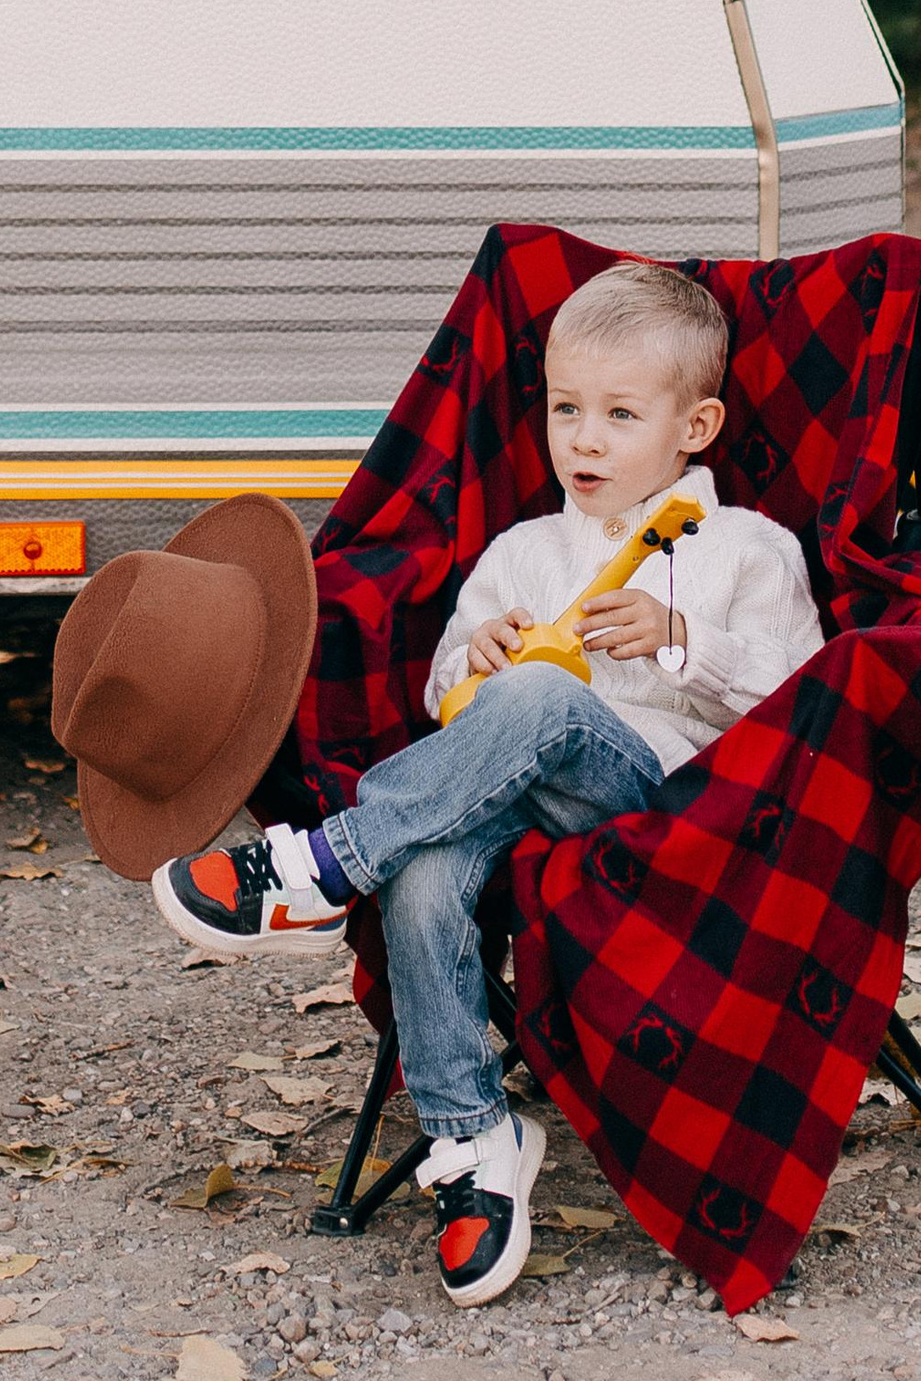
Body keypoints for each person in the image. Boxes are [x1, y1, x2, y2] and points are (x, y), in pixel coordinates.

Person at [149, 259, 825, 1307]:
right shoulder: (523, 550)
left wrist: (683, 639)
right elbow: (439, 697)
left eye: (618, 413)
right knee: (427, 867)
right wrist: (476, 660)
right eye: (564, 409)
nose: (584, 439)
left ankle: (322, 862)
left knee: (547, 710)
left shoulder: (745, 548)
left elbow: (803, 703)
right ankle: (474, 1136)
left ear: (694, 428)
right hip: (508, 801)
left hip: (664, 804)